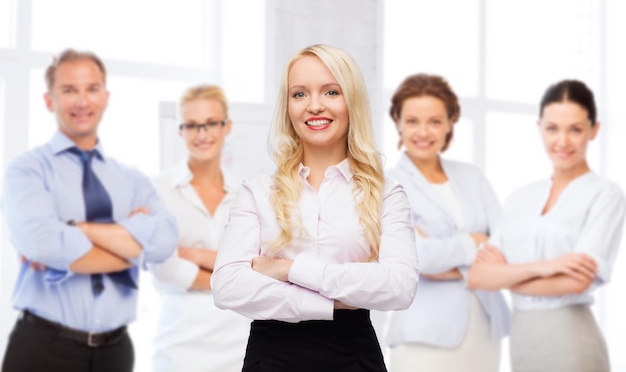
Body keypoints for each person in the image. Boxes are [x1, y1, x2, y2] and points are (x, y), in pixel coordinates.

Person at [211, 44, 419, 371]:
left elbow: (399, 286)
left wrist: (288, 269)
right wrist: (333, 301)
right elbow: (227, 286)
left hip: (354, 357)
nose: (315, 106)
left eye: (331, 91)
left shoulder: (387, 193)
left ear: (352, 101)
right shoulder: (257, 191)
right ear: (288, 107)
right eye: (300, 94)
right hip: (272, 358)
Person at [1, 49, 178, 372]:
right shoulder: (27, 170)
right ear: (48, 100)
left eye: (91, 89)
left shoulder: (132, 179)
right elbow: (43, 244)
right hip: (43, 348)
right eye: (69, 90)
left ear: (105, 97)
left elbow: (165, 242)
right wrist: (133, 242)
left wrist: (77, 229)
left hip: (116, 351)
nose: (82, 101)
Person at [468, 79, 626, 372]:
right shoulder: (520, 198)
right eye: (552, 128)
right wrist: (546, 267)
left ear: (594, 130)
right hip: (523, 340)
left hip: (572, 339)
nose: (562, 141)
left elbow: (577, 281)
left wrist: (504, 275)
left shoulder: (605, 194)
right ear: (539, 127)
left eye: (575, 129)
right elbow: (478, 276)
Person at [384, 73, 509, 372]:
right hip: (423, 335)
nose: (423, 132)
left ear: (450, 123)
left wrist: (447, 259)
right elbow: (418, 257)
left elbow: (506, 243)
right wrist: (476, 242)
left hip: (485, 329)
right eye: (412, 121)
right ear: (398, 122)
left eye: (435, 121)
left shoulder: (472, 176)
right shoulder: (386, 185)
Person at [149, 85, 250, 371]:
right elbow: (164, 269)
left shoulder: (247, 192)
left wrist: (190, 254)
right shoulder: (157, 190)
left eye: (211, 124)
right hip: (179, 341)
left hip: (238, 339)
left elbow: (256, 267)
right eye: (192, 126)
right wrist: (233, 276)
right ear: (180, 131)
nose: (202, 134)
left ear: (227, 126)